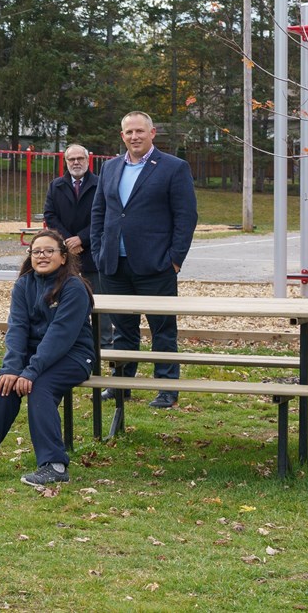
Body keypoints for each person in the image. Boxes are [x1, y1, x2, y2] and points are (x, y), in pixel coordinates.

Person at [0, 229, 94, 487]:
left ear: (63, 257)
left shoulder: (74, 288)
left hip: (73, 356)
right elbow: (17, 330)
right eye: (37, 251)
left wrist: (30, 372)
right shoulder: (24, 284)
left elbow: (60, 336)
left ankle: (54, 466)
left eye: (49, 251)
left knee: (39, 387)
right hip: (36, 358)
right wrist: (12, 369)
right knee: (5, 386)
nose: (42, 256)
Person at [89, 111, 197, 409]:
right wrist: (99, 253)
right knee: (123, 330)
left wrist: (174, 260)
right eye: (128, 132)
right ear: (122, 136)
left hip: (156, 266)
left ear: (152, 134)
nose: (134, 136)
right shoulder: (110, 168)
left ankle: (166, 388)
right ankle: (122, 384)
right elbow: (99, 213)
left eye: (139, 131)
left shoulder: (173, 168)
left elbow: (186, 217)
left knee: (163, 329)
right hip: (114, 266)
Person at [43, 144, 100, 292]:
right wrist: (69, 240)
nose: (76, 162)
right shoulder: (56, 186)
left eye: (80, 158)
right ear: (66, 161)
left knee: (97, 299)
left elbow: (105, 216)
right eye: (72, 159)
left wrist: (81, 238)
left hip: (93, 251)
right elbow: (50, 215)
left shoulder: (100, 185)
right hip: (66, 252)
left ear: (88, 160)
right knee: (67, 295)